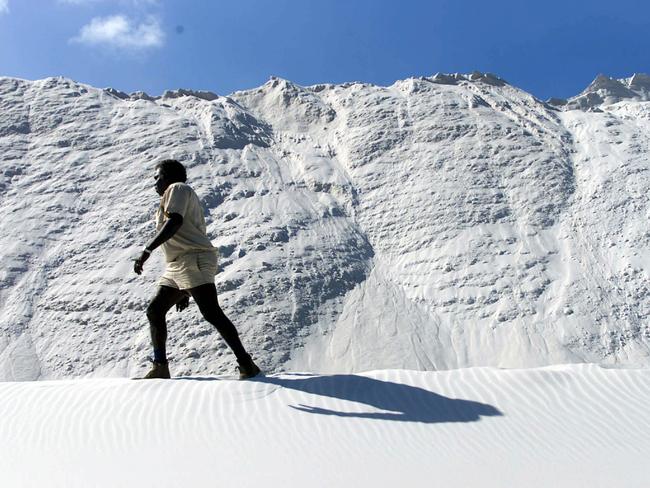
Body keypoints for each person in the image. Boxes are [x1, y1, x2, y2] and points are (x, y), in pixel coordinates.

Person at [133, 159, 260, 380]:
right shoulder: (170, 198)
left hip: (194, 258)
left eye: (158, 177)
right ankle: (160, 366)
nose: (155, 182)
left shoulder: (178, 188)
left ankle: (247, 364)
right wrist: (183, 289)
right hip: (177, 265)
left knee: (211, 312)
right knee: (155, 310)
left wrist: (147, 250)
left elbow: (175, 222)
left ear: (170, 177)